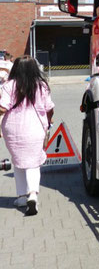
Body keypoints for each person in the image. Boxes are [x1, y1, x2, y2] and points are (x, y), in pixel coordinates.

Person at [0, 56, 53, 216]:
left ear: (15, 68)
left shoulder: (9, 85)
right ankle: (32, 196)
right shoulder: (41, 85)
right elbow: (49, 108)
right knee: (33, 163)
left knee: (18, 161)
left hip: (13, 129)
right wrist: (49, 122)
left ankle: (22, 196)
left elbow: (3, 107)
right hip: (35, 127)